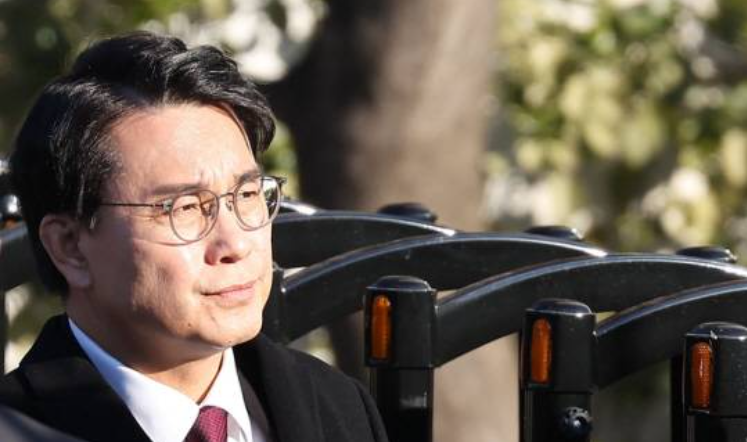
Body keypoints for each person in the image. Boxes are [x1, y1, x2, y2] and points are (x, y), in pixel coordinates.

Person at [0, 32, 389, 442]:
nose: (235, 244)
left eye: (247, 195)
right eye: (184, 208)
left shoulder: (338, 406)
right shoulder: (20, 428)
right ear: (69, 247)